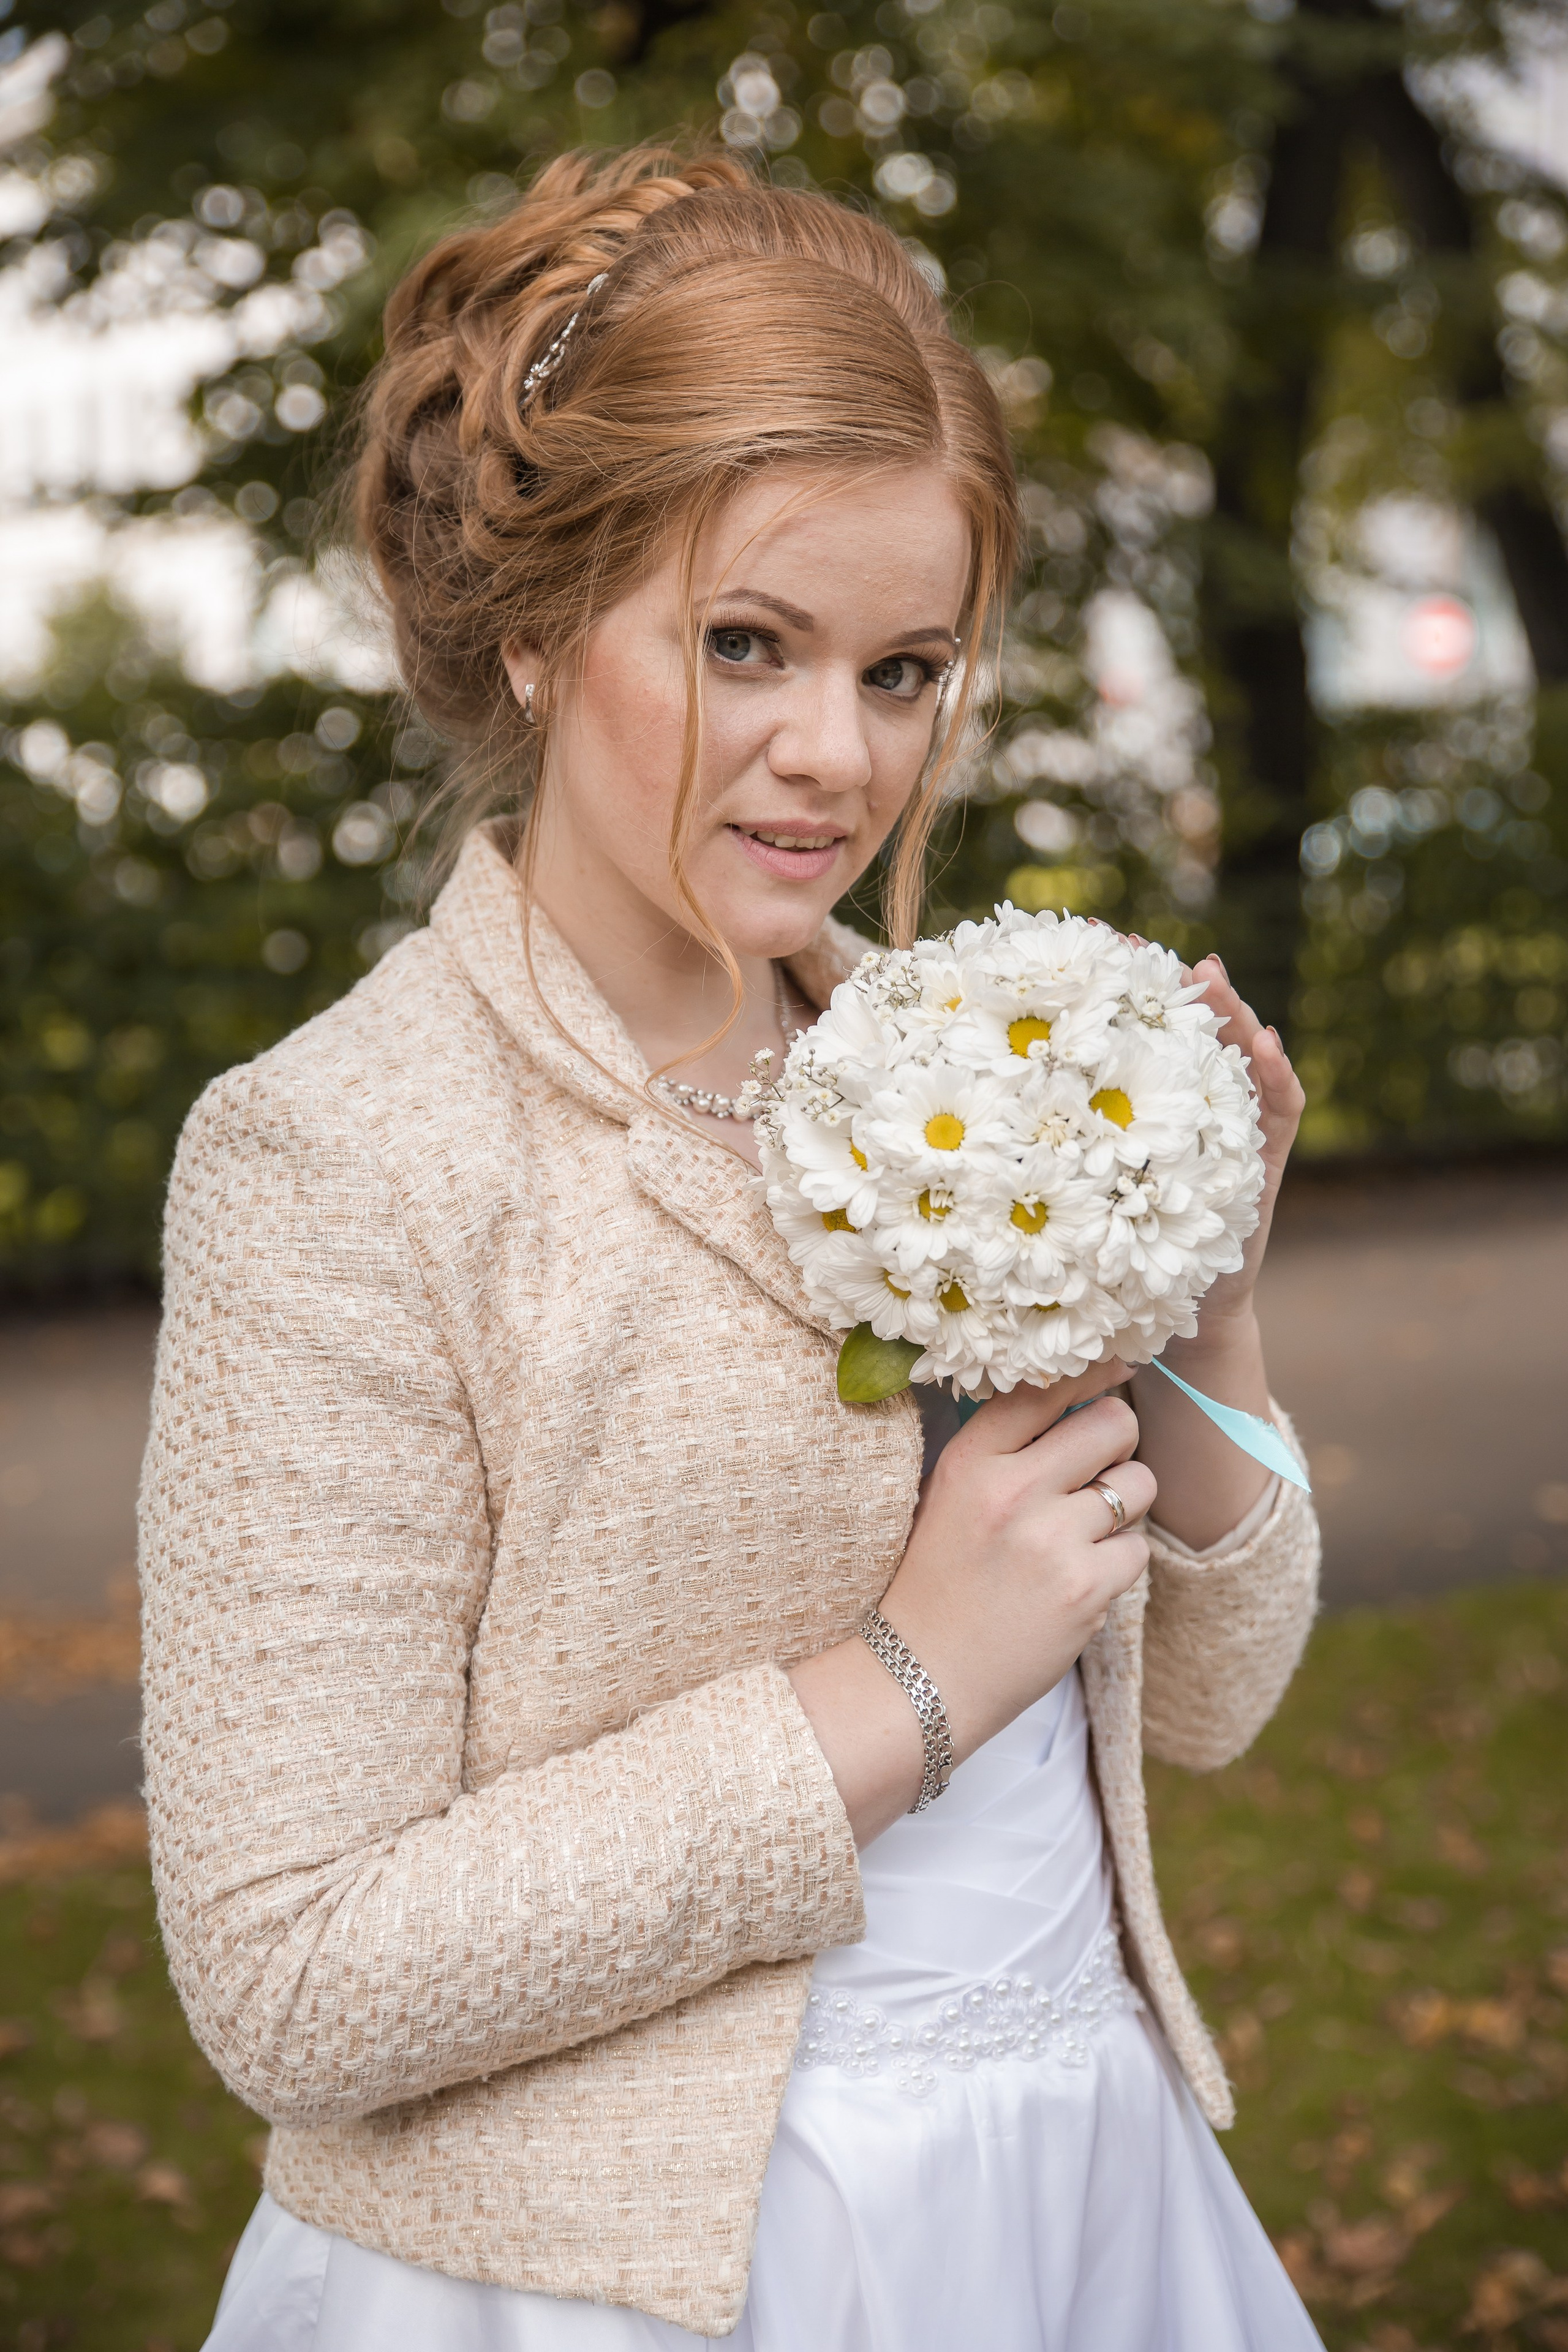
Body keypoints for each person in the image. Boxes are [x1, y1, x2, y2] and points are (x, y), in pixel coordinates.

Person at [139, 144, 1325, 2351]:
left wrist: (1211, 1308)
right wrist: (906, 1682)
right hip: (641, 2266)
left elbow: (1211, 1707)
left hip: (1078, 2177)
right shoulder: (341, 1158)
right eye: (745, 645)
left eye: (905, 669)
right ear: (534, 626)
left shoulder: (977, 1073)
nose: (832, 756)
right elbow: (290, 1972)